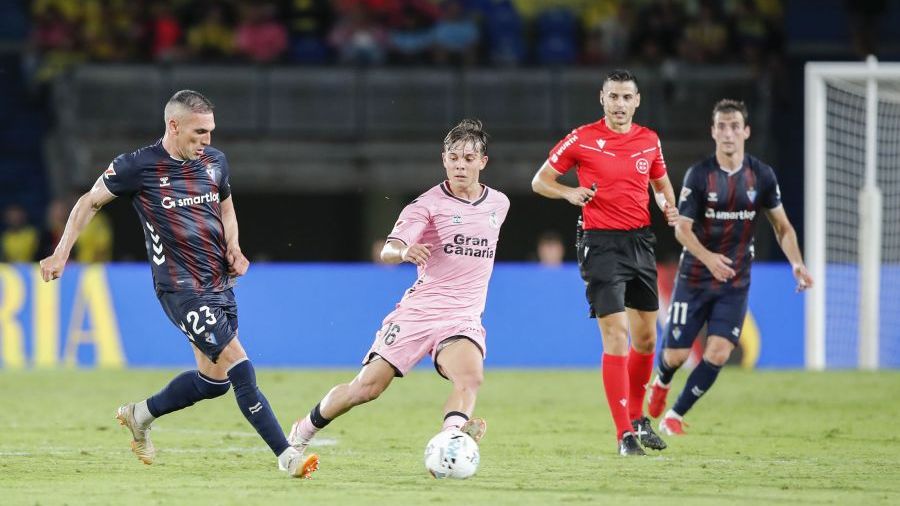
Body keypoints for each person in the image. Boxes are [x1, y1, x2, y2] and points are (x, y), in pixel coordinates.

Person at [38, 90, 318, 479]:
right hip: (180, 288)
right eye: (199, 131)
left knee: (214, 382)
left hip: (219, 283)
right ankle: (287, 455)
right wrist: (61, 253)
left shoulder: (215, 161)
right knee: (239, 365)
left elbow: (226, 208)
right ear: (174, 125)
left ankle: (140, 414)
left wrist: (234, 247)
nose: (207, 139)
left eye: (211, 131)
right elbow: (89, 202)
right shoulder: (137, 166)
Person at [287, 119, 509, 459]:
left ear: (483, 161)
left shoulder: (498, 204)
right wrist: (404, 252)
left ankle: (450, 440)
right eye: (453, 158)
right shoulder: (427, 205)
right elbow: (389, 249)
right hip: (419, 312)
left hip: (462, 317)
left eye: (468, 158)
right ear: (444, 160)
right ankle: (303, 429)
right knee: (366, 388)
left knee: (470, 377)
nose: (460, 166)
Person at [531, 69, 678, 456]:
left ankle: (638, 418)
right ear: (602, 98)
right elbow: (540, 181)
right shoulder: (582, 138)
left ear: (637, 101)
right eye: (613, 96)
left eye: (626, 97)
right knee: (616, 334)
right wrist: (569, 193)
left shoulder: (649, 140)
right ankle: (623, 434)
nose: (619, 104)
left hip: (640, 242)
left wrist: (669, 207)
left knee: (646, 339)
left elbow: (661, 184)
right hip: (600, 244)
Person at [648, 99, 813, 435]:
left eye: (735, 126)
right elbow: (681, 229)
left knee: (720, 352)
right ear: (713, 132)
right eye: (722, 126)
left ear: (746, 132)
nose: (728, 133)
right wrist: (708, 258)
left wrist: (797, 263)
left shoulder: (762, 176)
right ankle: (662, 381)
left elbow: (782, 227)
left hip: (734, 281)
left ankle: (675, 415)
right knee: (676, 355)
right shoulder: (699, 175)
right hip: (695, 277)